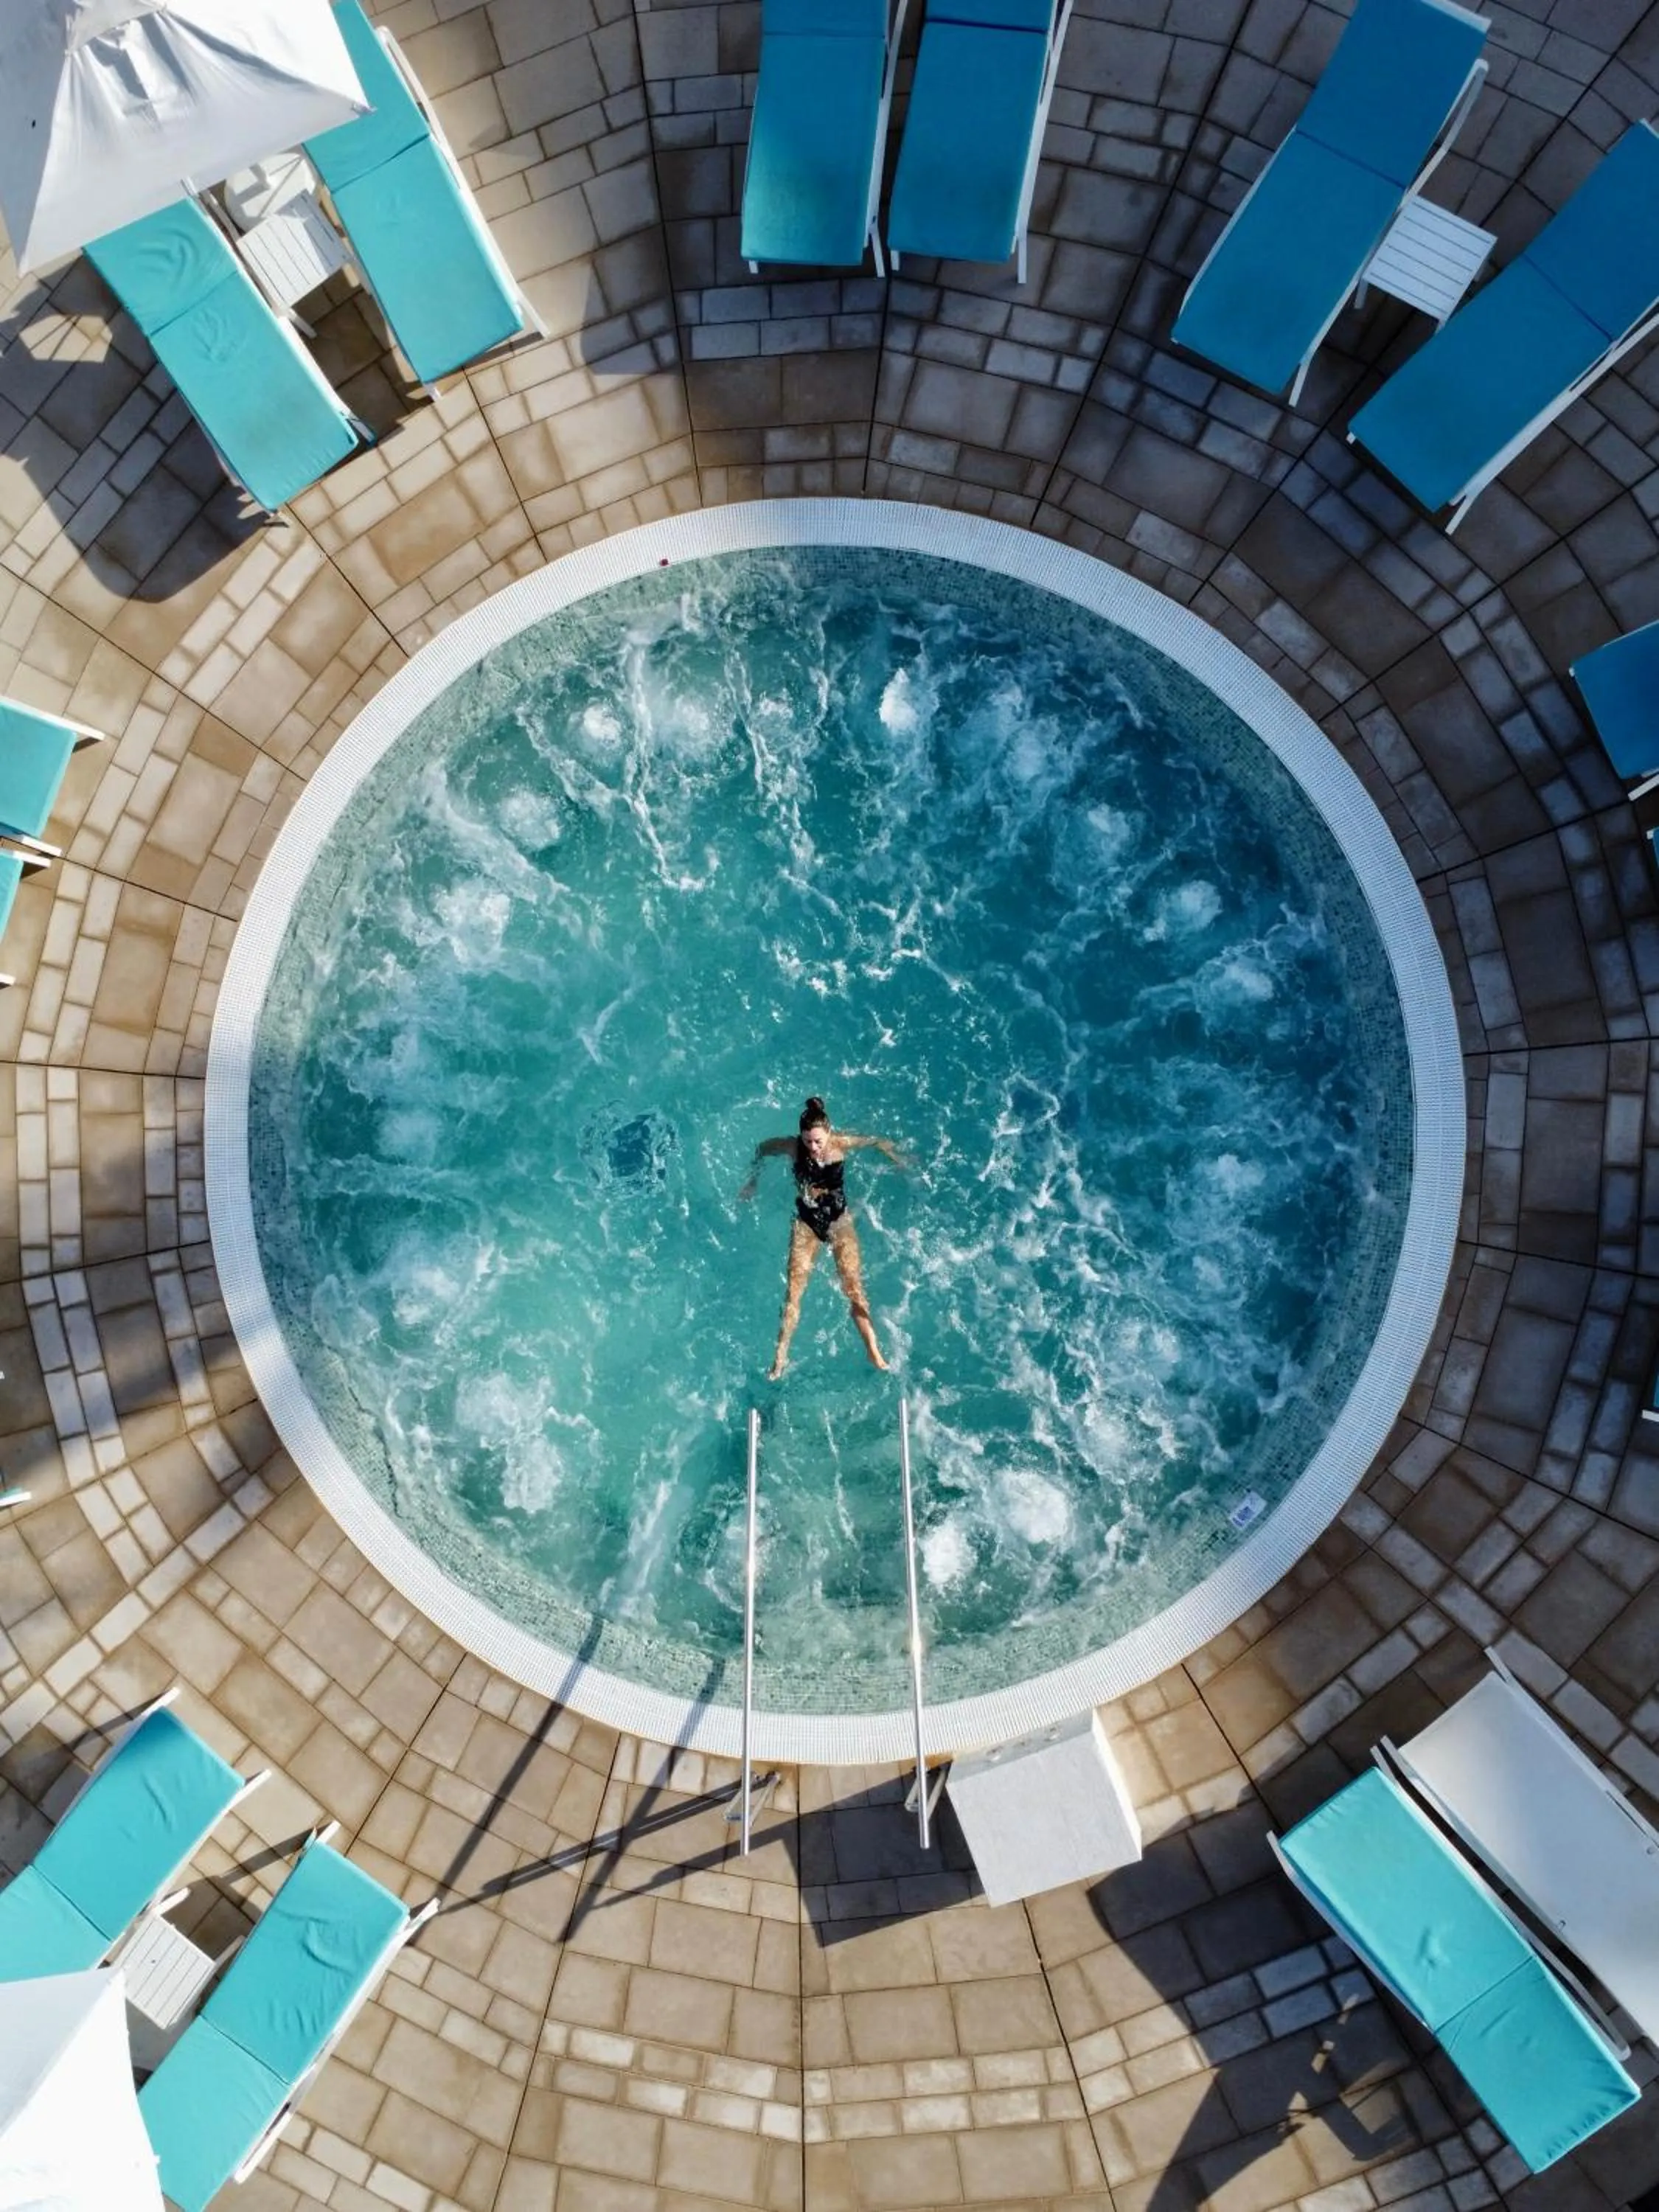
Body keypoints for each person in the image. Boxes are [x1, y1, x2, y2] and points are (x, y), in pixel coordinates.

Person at [739, 1096, 909, 1377]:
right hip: (806, 1225)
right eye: (808, 1141)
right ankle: (780, 1358)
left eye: (818, 1141)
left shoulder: (841, 1144)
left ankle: (872, 1349)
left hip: (839, 1222)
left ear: (828, 1133)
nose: (813, 1148)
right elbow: (762, 1148)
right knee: (793, 1293)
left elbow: (876, 1141)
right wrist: (752, 1180)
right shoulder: (793, 1147)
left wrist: (897, 1158)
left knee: (854, 1289)